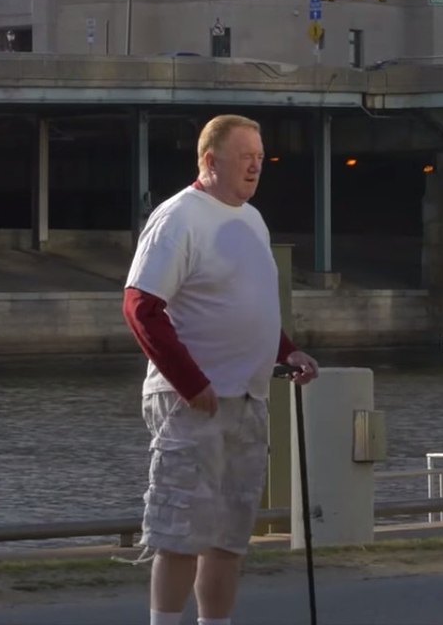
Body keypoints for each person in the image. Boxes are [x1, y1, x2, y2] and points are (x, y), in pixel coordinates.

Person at [122, 114, 319, 625]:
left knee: (230, 538)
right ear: (210, 161)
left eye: (260, 155)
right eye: (245, 156)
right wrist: (191, 382)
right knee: (182, 532)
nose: (257, 164)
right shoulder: (179, 217)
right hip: (192, 402)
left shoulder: (252, 218)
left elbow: (244, 303)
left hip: (248, 399)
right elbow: (141, 306)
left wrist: (286, 351)